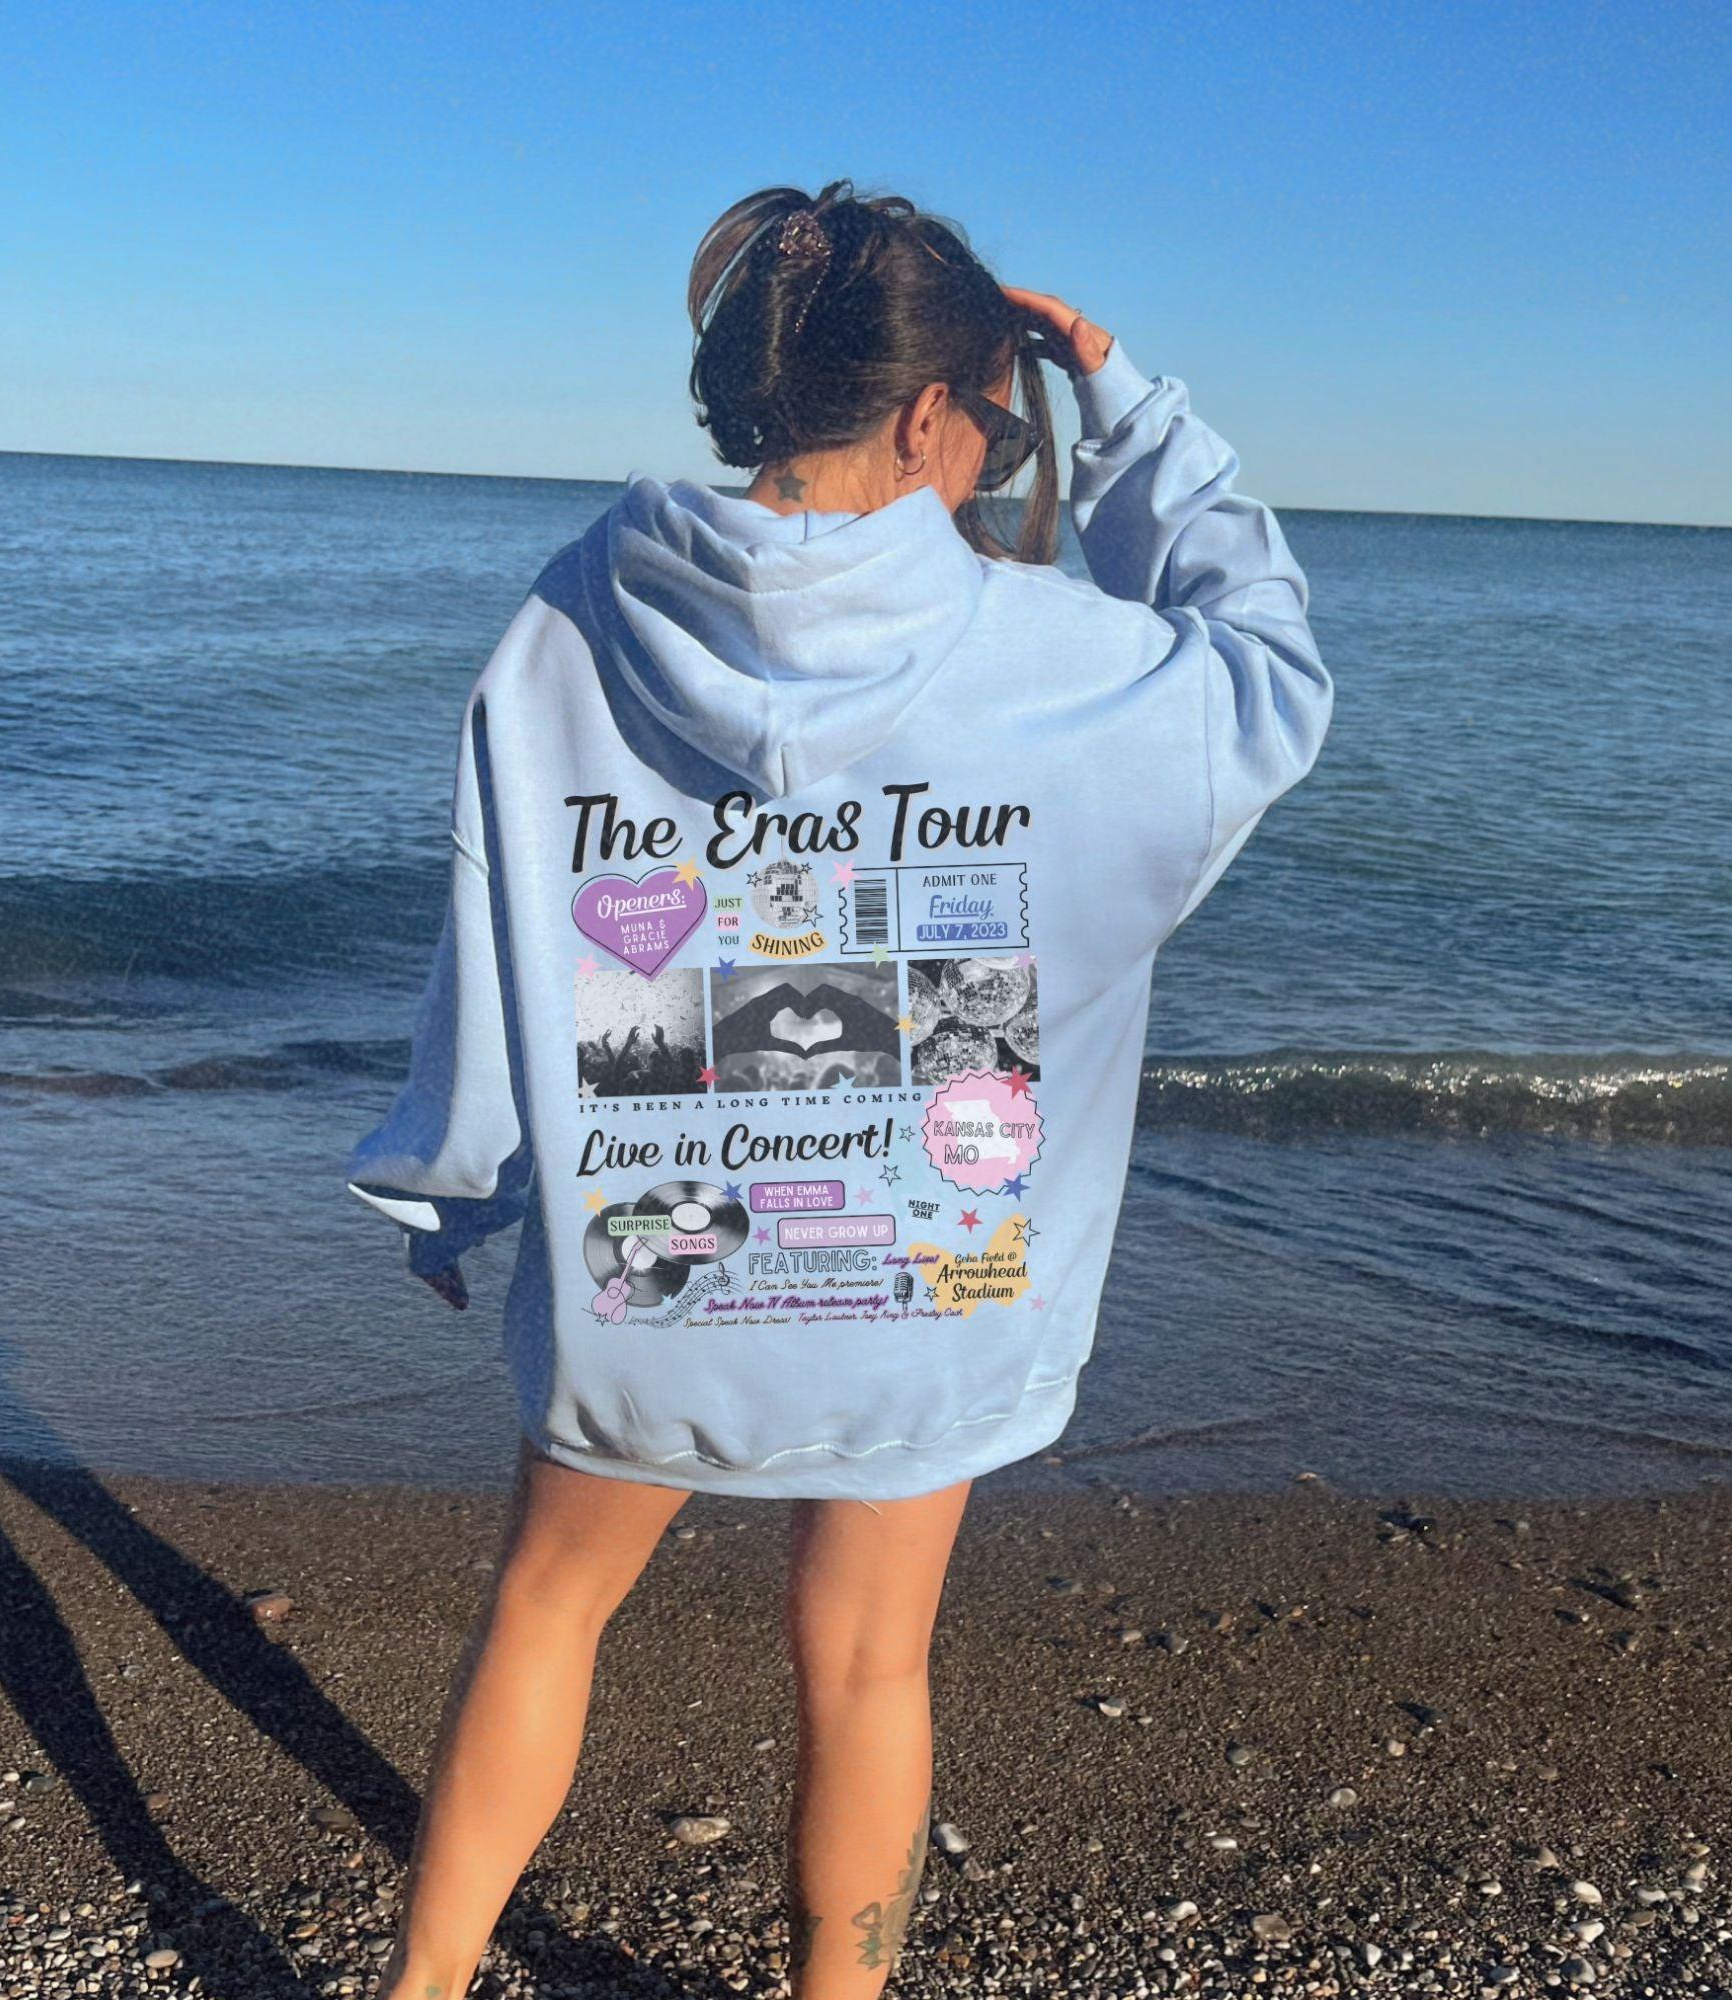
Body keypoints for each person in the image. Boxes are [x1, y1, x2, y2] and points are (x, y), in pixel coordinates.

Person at [343, 178, 1333, 2000]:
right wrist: (1132, 405)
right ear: (933, 412)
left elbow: (504, 906)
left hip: (654, 1249)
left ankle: (420, 1988)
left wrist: (462, 1169)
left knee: (550, 1604)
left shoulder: (574, 614)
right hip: (925, 1275)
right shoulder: (1071, 658)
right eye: (989, 416)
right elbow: (1269, 673)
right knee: (869, 1663)